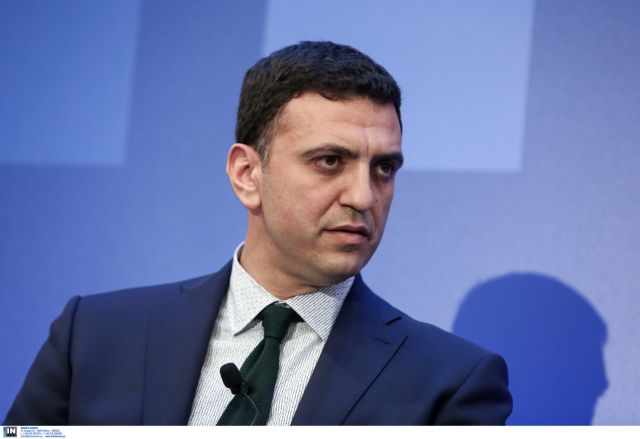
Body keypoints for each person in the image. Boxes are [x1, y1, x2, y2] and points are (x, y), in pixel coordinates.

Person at [5, 41, 512, 425]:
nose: (363, 196)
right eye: (330, 161)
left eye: (383, 168)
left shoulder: (448, 383)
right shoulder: (94, 335)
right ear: (247, 175)